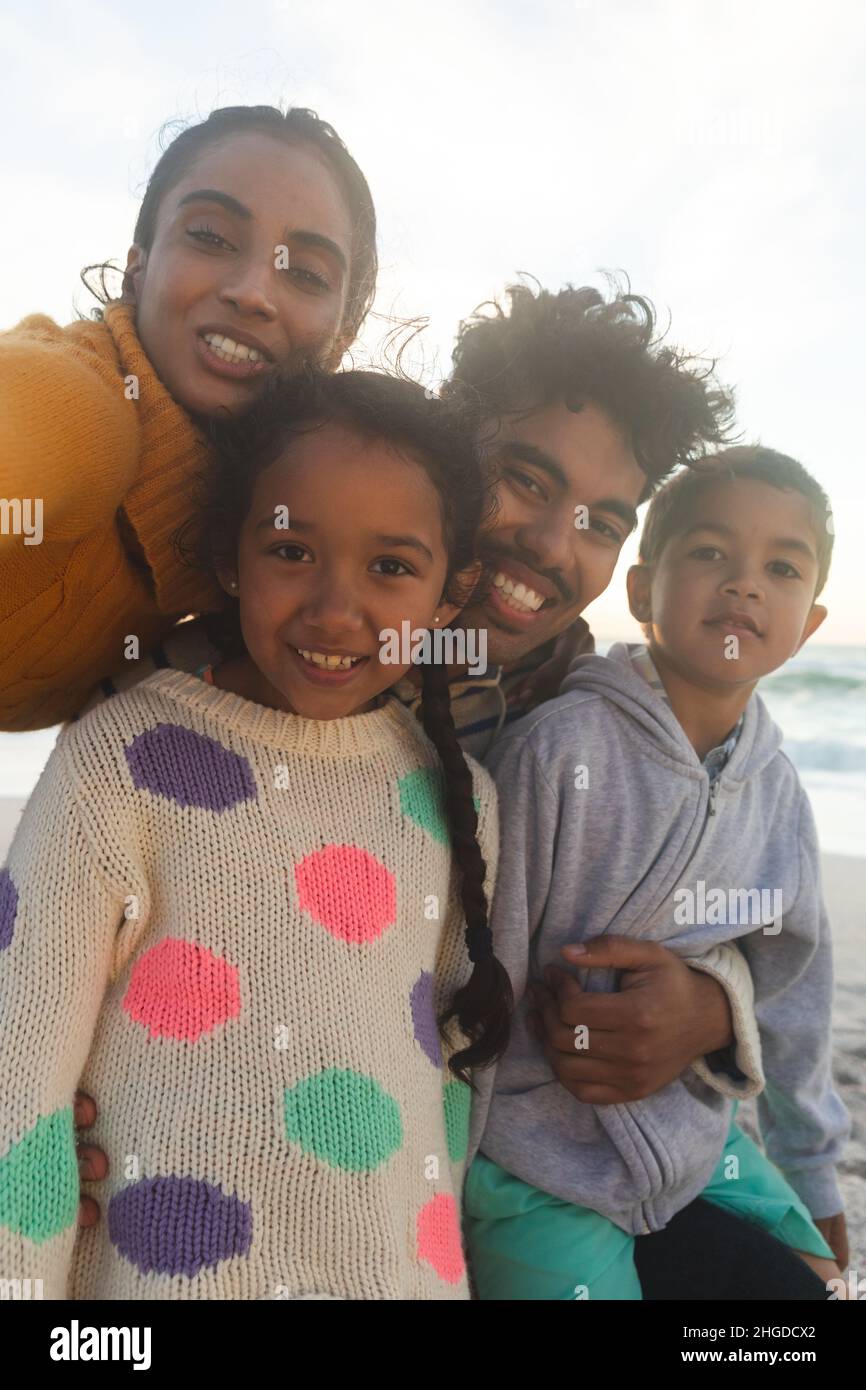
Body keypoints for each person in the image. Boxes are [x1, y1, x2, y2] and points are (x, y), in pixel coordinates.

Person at [0, 369, 511, 1299]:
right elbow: (17, 1074)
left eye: (391, 567)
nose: (335, 609)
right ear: (231, 557)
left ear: (449, 593)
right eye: (291, 551)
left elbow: (431, 1089)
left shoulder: (455, 798)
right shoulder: (119, 763)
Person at [465, 446, 851, 1299]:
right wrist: (452, 1170)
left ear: (810, 624)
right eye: (711, 552)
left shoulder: (777, 791)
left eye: (781, 568)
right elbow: (479, 967)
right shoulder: (561, 750)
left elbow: (795, 993)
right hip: (536, 1161)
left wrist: (817, 1173)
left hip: (687, 1134)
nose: (745, 585)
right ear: (642, 592)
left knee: (820, 1279)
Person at [0, 104, 377, 731]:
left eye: (307, 274)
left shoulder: (271, 505)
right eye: (210, 237)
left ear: (343, 336)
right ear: (138, 265)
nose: (253, 290)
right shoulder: (84, 405)